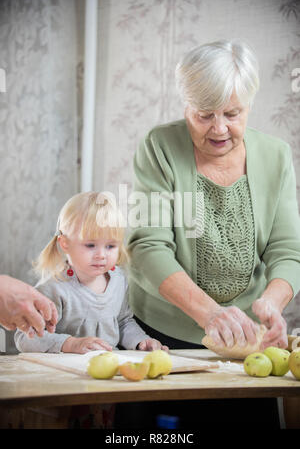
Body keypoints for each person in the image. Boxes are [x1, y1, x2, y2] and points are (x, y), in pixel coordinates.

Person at [127, 39, 300, 352]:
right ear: (186, 106)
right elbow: (148, 246)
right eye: (205, 115)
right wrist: (209, 313)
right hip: (159, 335)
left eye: (232, 114)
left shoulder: (276, 156)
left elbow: (287, 249)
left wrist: (272, 303)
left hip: (247, 335)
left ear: (249, 105)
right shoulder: (159, 147)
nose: (219, 129)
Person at [14, 191, 168, 354]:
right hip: (63, 373)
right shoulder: (53, 288)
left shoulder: (118, 280)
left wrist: (141, 340)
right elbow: (25, 338)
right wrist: (71, 344)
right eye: (90, 245)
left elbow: (123, 322)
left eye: (110, 246)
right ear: (65, 244)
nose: (101, 255)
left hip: (106, 372)